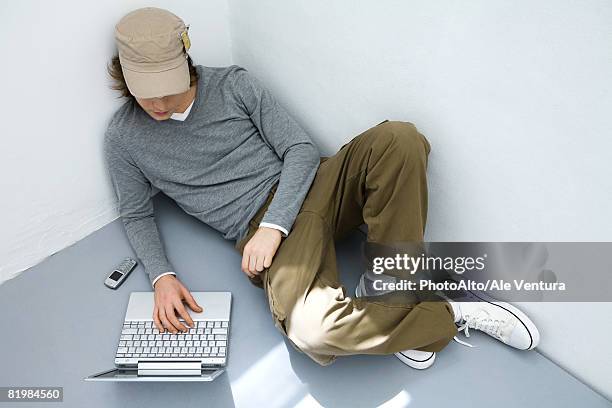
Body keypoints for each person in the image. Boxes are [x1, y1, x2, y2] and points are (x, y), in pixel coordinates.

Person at [105, 7, 540, 370]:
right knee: (312, 332)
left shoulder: (233, 85)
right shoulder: (123, 138)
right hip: (260, 230)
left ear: (185, 60)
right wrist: (162, 276)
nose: (159, 105)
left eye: (168, 90)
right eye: (146, 95)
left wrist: (275, 224)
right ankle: (452, 312)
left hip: (314, 187)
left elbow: (299, 148)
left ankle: (390, 288)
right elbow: (137, 212)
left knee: (400, 139)